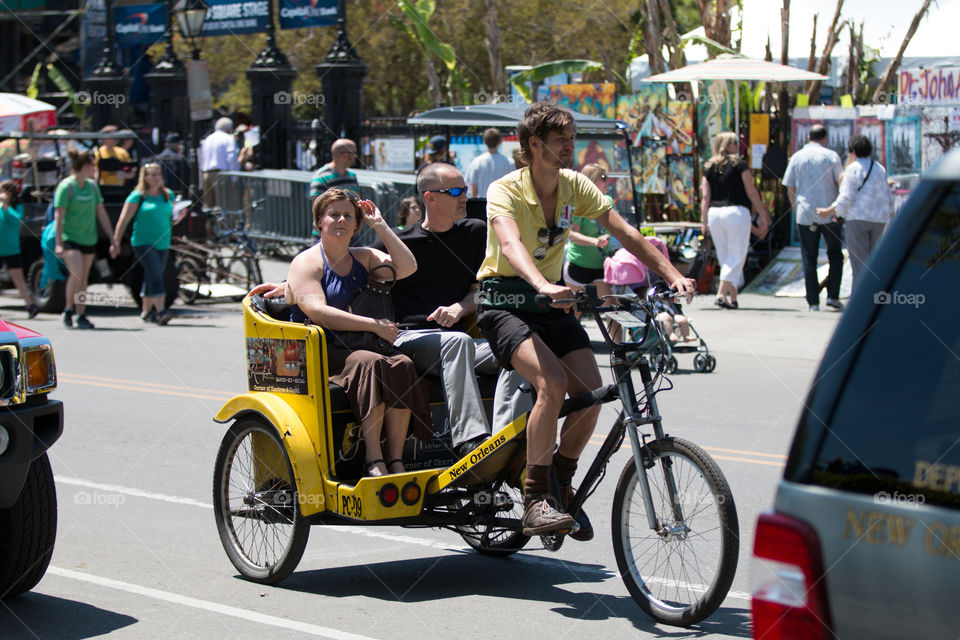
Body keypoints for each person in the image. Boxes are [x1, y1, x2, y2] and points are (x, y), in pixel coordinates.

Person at [477, 101, 696, 538]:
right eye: (561, 138)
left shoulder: (575, 185)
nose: (570, 145)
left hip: (552, 303)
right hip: (504, 301)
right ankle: (535, 497)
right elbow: (511, 243)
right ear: (533, 144)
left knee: (592, 394)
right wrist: (542, 283)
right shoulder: (505, 190)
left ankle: (560, 482)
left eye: (572, 137)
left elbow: (625, 232)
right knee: (551, 384)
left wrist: (672, 274)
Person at [287, 188, 431, 477]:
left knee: (402, 363)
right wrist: (372, 325)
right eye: (333, 214)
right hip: (320, 348)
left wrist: (380, 225)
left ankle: (396, 459)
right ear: (319, 222)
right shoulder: (307, 262)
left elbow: (408, 267)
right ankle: (373, 458)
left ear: (356, 224)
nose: (341, 220)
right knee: (370, 362)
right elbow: (318, 312)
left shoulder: (363, 257)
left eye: (348, 216)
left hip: (359, 345)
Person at [700, 131, 771, 309]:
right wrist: (762, 213)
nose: (738, 146)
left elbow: (705, 197)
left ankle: (733, 297)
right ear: (727, 145)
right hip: (737, 212)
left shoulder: (709, 167)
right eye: (734, 143)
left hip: (715, 213)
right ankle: (721, 293)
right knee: (737, 254)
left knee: (725, 256)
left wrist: (703, 221)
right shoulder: (740, 164)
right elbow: (751, 191)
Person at [816, 134, 894, 289]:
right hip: (879, 219)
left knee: (859, 264)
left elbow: (846, 196)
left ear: (852, 151)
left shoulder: (852, 169)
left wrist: (830, 211)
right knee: (873, 262)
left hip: (857, 219)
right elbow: (886, 194)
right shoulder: (879, 168)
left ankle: (859, 301)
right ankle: (873, 296)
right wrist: (890, 214)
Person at [782, 124, 844, 311]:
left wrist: (796, 207)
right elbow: (840, 180)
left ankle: (813, 302)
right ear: (824, 138)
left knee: (809, 257)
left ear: (808, 137)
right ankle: (832, 295)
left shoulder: (797, 157)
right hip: (829, 212)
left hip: (805, 213)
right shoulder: (831, 156)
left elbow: (789, 186)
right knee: (835, 255)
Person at [54, 150, 118, 329]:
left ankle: (81, 313)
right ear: (85, 166)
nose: (94, 169)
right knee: (77, 272)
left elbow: (101, 212)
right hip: (70, 237)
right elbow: (58, 216)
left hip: (88, 238)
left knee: (83, 278)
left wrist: (112, 237)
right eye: (93, 166)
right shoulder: (66, 186)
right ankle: (68, 309)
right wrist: (59, 243)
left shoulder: (92, 186)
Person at [111, 163, 175, 325]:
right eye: (151, 175)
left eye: (158, 174)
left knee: (151, 275)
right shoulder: (138, 196)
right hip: (143, 242)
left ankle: (146, 311)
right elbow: (123, 220)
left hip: (163, 241)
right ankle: (161, 311)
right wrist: (115, 242)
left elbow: (171, 217)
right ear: (144, 177)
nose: (155, 178)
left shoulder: (168, 195)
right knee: (156, 274)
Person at [563, 163, 612, 303]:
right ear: (590, 181)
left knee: (612, 308)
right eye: (603, 177)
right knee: (575, 312)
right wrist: (596, 241)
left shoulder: (608, 201)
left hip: (601, 265)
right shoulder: (578, 203)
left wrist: (607, 237)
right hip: (578, 266)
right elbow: (571, 236)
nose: (606, 181)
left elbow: (615, 229)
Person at [0, 180, 38, 316]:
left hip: (11, 248)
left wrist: (5, 206)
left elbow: (16, 220)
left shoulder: (16, 207)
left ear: (9, 193)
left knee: (18, 279)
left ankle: (30, 304)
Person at [200, 117, 240, 209]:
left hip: (206, 174)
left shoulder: (208, 139)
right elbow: (231, 158)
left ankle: (210, 224)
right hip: (222, 175)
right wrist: (234, 178)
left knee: (208, 208)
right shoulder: (228, 138)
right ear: (229, 129)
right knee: (224, 207)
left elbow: (202, 158)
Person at [465, 128, 514, 198]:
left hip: (482, 204)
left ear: (484, 141)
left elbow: (474, 189)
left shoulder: (476, 162)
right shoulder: (509, 162)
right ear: (499, 142)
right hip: (502, 204)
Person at [310, 138, 359, 203]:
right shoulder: (321, 178)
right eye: (354, 153)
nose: (356, 156)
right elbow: (317, 209)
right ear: (344, 155)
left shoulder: (352, 176)